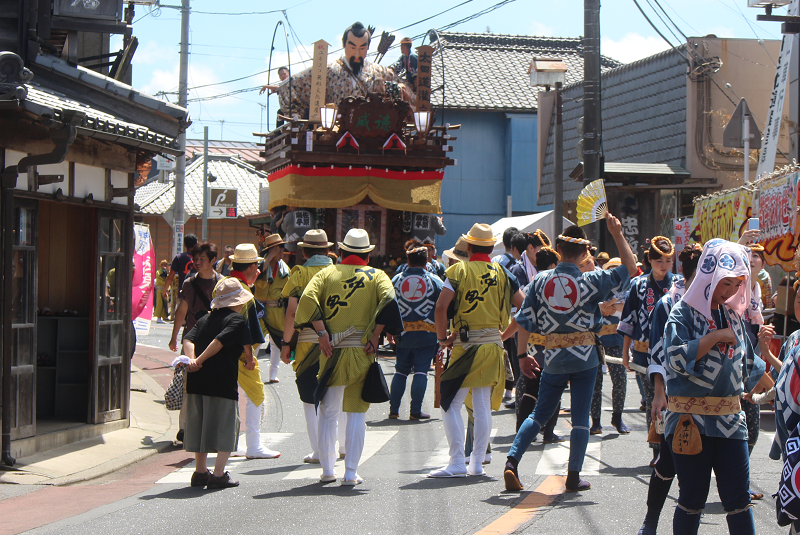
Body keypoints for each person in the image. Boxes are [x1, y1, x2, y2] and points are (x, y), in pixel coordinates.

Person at [504, 216, 636, 493]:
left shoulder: (540, 281)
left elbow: (524, 320)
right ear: (585, 253)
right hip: (585, 356)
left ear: (558, 250)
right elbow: (631, 268)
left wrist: (521, 356)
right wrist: (617, 233)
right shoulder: (591, 281)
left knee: (539, 414)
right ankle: (573, 476)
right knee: (579, 419)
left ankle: (512, 462)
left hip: (552, 357)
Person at [661, 239, 767, 534]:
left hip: (732, 421)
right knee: (692, 500)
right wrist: (715, 337)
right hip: (689, 420)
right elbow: (675, 359)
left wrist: (782, 389)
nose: (731, 291)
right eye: (726, 283)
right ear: (710, 276)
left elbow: (750, 366)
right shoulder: (681, 313)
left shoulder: (733, 314)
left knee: (739, 500)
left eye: (736, 285)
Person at [295, 228, 403, 485]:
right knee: (355, 413)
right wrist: (377, 332)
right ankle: (351, 472)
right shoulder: (377, 276)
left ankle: (327, 471)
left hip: (331, 350)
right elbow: (390, 301)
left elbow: (307, 299)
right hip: (362, 350)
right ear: (368, 253)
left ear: (341, 251)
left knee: (328, 412)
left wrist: (321, 333)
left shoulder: (327, 273)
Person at [428, 223, 524, 478]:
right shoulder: (504, 273)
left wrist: (442, 339)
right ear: (492, 248)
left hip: (466, 345)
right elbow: (525, 309)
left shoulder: (457, 270)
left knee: (450, 402)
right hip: (493, 345)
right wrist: (504, 334)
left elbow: (440, 308)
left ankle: (457, 461)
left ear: (468, 247)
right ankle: (477, 464)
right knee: (481, 404)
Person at [637, 243, 702, 535]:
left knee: (706, 465)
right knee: (667, 461)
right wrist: (659, 393)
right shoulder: (669, 301)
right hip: (678, 394)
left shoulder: (719, 301)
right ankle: (651, 520)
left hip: (713, 397)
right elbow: (658, 351)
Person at [183, 277, 250, 490]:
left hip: (197, 380)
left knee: (200, 425)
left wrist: (192, 360)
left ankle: (200, 471)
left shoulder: (204, 318)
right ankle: (219, 474)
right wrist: (200, 360)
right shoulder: (237, 320)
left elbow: (187, 339)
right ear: (236, 302)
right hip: (221, 381)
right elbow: (219, 342)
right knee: (227, 426)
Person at [620, 236, 681, 465]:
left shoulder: (679, 284)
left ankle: (674, 446)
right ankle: (657, 449)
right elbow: (629, 320)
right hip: (645, 352)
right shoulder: (638, 285)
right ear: (649, 260)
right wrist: (626, 352)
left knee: (675, 400)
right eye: (658, 260)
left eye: (667, 260)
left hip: (674, 351)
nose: (663, 265)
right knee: (652, 400)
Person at [279, 229, 338, 463]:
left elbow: (292, 312)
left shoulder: (300, 274)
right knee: (336, 396)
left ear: (304, 252)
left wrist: (285, 343)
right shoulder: (338, 272)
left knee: (310, 397)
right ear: (327, 250)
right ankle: (341, 446)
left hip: (307, 342)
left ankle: (319, 451)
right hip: (338, 341)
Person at [276, 22, 406, 118]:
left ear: (368, 47)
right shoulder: (328, 70)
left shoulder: (379, 72)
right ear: (344, 44)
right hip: (336, 132)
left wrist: (399, 90)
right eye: (352, 47)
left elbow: (409, 91)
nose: (356, 53)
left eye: (362, 48)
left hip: (373, 133)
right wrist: (295, 115)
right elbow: (287, 86)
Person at [224, 244, 281, 460]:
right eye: (256, 265)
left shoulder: (224, 283)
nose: (258, 269)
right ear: (249, 267)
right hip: (239, 354)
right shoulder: (243, 291)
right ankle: (254, 445)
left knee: (231, 398)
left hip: (222, 350)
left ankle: (231, 444)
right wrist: (249, 356)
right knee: (256, 396)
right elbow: (243, 326)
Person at [507, 246, 564, 441]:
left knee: (531, 388)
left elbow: (522, 316)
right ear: (554, 264)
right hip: (554, 345)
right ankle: (548, 431)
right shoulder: (560, 285)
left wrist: (506, 335)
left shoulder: (531, 285)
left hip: (532, 344)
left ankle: (522, 432)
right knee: (554, 386)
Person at [388, 239, 443, 420]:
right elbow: (445, 306)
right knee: (421, 371)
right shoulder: (434, 280)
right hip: (427, 334)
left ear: (408, 260)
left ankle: (394, 410)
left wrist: (389, 329)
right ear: (426, 261)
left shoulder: (396, 280)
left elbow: (388, 305)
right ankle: (415, 411)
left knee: (400, 371)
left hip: (402, 333)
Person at [589, 256, 630, 436]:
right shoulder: (596, 286)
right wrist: (603, 306)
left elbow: (627, 308)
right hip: (595, 339)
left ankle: (617, 417)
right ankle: (595, 421)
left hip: (616, 338)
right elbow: (589, 307)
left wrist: (613, 306)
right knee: (595, 382)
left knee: (619, 379)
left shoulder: (628, 289)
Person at [254, 234, 289, 384]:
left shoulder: (284, 268)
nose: (281, 253)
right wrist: (268, 258)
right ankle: (252, 370)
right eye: (279, 250)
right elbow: (255, 277)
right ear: (272, 250)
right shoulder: (260, 264)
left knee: (276, 343)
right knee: (256, 341)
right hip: (260, 309)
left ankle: (273, 373)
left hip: (277, 310)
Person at [163, 233, 198, 302]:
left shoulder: (179, 257)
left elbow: (170, 277)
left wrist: (165, 289)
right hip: (198, 295)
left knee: (181, 312)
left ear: (184, 245)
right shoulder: (201, 257)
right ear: (196, 244)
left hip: (184, 294)